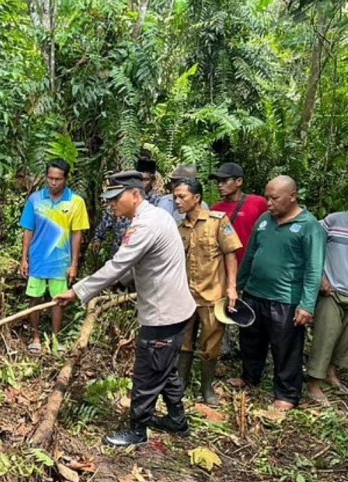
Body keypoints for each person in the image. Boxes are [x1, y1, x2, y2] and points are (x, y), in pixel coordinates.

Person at [56, 171, 196, 446]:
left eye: (115, 199)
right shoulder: (156, 217)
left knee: (147, 372)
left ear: (134, 195)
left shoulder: (145, 225)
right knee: (165, 370)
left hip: (163, 314)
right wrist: (120, 284)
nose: (112, 206)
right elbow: (138, 265)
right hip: (175, 310)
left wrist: (77, 291)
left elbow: (118, 265)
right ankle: (177, 422)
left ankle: (137, 431)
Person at [231, 175, 326, 411]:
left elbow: (314, 269)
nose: (269, 203)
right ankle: (249, 377)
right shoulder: (264, 220)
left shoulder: (309, 226)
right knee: (251, 340)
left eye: (274, 198)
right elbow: (250, 255)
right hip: (254, 293)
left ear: (292, 196)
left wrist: (307, 305)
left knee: (286, 349)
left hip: (285, 299)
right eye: (266, 197)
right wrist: (238, 286)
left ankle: (287, 394)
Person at [173, 178, 242, 405]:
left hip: (212, 294)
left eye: (182, 196)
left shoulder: (217, 221)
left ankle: (206, 388)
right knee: (184, 341)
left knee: (211, 344)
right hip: (185, 296)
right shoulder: (180, 227)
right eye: (175, 196)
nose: (177, 201)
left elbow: (230, 253)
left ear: (197, 198)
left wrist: (232, 287)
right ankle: (180, 384)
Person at [20, 159, 89, 355]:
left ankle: (56, 338)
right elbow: (28, 230)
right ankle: (35, 337)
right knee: (34, 298)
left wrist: (74, 263)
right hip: (37, 260)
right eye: (50, 178)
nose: (53, 183)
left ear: (66, 179)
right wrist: (24, 258)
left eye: (58, 179)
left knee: (58, 300)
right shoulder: (35, 200)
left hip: (60, 261)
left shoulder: (76, 202)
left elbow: (77, 234)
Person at [307, 211, 348, 401]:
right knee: (326, 336)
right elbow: (311, 244)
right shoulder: (334, 221)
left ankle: (331, 373)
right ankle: (313, 383)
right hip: (331, 291)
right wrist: (320, 276)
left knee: (347, 340)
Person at [93, 153, 162, 258]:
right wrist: (98, 237)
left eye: (146, 180)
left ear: (152, 180)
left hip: (143, 252)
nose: (142, 183)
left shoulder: (158, 200)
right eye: (140, 180)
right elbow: (108, 217)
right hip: (120, 250)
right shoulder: (124, 196)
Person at [209, 162, 267, 265]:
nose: (220, 185)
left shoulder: (258, 203)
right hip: (225, 267)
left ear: (239, 181)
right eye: (218, 181)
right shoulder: (214, 210)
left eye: (224, 181)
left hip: (252, 265)